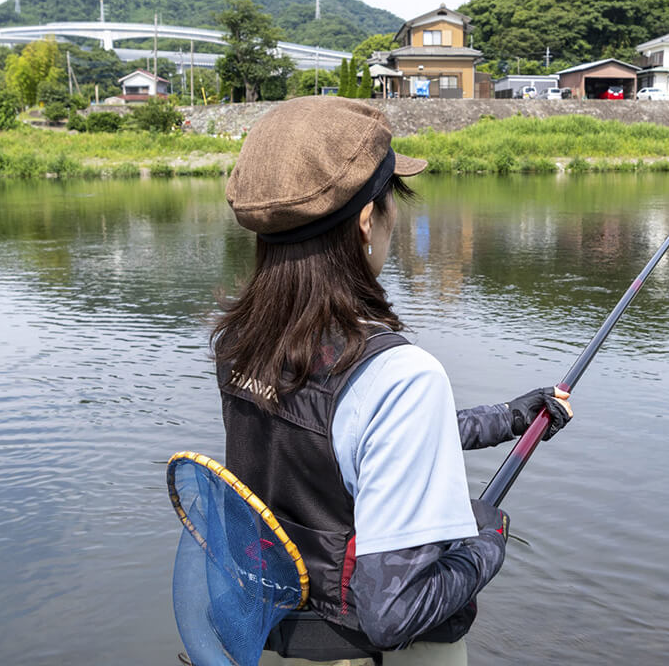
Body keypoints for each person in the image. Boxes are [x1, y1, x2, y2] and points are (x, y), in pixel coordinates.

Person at [211, 96, 572, 665]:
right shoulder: (401, 376)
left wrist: (511, 418)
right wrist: (486, 542)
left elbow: (356, 443)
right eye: (390, 203)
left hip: (275, 639)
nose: (394, 220)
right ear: (364, 223)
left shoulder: (241, 343)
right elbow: (391, 613)